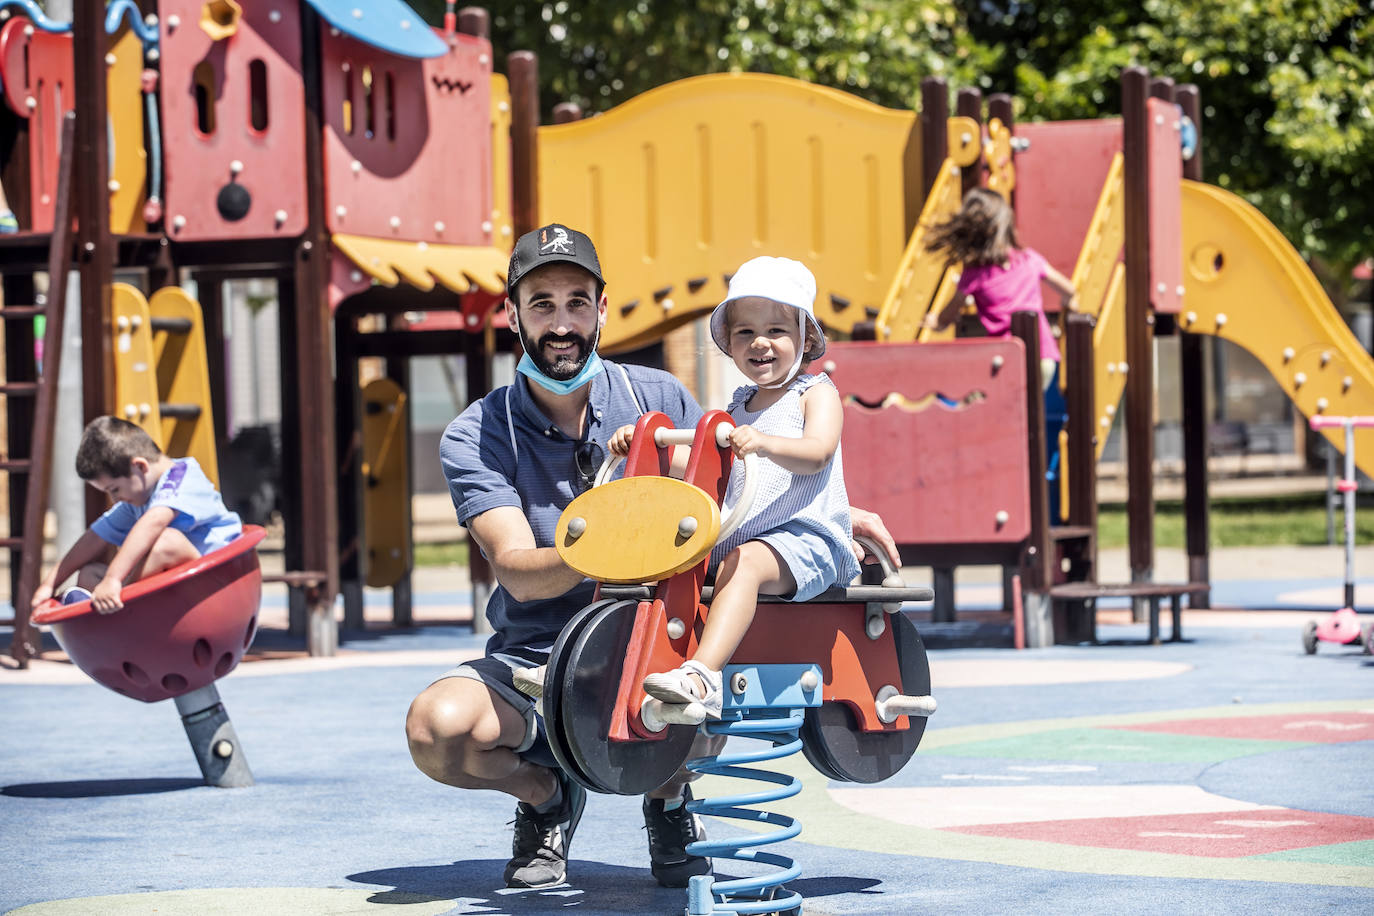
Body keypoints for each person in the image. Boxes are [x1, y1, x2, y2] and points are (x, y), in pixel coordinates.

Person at [406, 223, 899, 892]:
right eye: (542, 304)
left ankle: (670, 800)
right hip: (538, 654)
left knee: (692, 666)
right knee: (437, 730)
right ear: (514, 314)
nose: (561, 324)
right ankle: (544, 793)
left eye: (576, 302)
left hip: (654, 640)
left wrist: (837, 513)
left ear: (602, 310)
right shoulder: (479, 431)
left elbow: (740, 487)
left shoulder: (657, 399)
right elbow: (519, 572)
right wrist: (609, 545)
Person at [609, 256, 860, 724]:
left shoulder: (815, 393)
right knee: (662, 560)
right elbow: (707, 460)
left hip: (808, 538)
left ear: (806, 339)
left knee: (741, 565)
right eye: (745, 332)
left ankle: (702, 677)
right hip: (747, 539)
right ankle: (599, 665)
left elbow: (819, 451)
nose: (760, 342)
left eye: (777, 331)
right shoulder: (737, 407)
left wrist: (764, 442)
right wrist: (646, 449)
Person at [31, 416, 243, 614]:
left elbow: (154, 521)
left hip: (221, 585)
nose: (115, 499)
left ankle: (116, 612)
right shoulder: (140, 496)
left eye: (114, 489)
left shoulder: (181, 477)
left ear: (140, 466)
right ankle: (105, 611)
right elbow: (95, 536)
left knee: (167, 542)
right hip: (182, 590)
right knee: (89, 574)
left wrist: (114, 579)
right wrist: (49, 585)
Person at [923, 187, 1078, 388]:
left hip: (1005, 358)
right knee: (1029, 409)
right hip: (1043, 355)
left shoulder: (975, 274)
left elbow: (948, 315)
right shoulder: (1030, 259)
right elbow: (1069, 290)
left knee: (983, 402)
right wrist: (1068, 305)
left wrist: (936, 320)